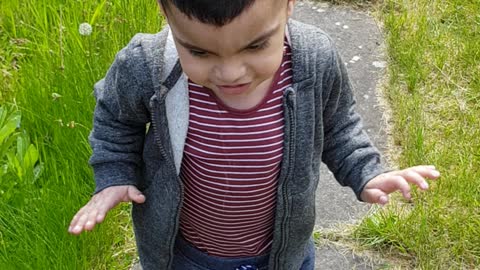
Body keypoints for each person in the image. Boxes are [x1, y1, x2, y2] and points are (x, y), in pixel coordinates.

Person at [68, 0, 440, 269]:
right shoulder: (146, 65)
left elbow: (339, 123)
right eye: (199, 51)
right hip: (181, 255)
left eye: (256, 45)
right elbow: (116, 119)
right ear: (165, 12)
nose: (230, 73)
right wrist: (114, 175)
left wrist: (366, 172)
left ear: (288, 5)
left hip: (283, 253)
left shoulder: (313, 60)